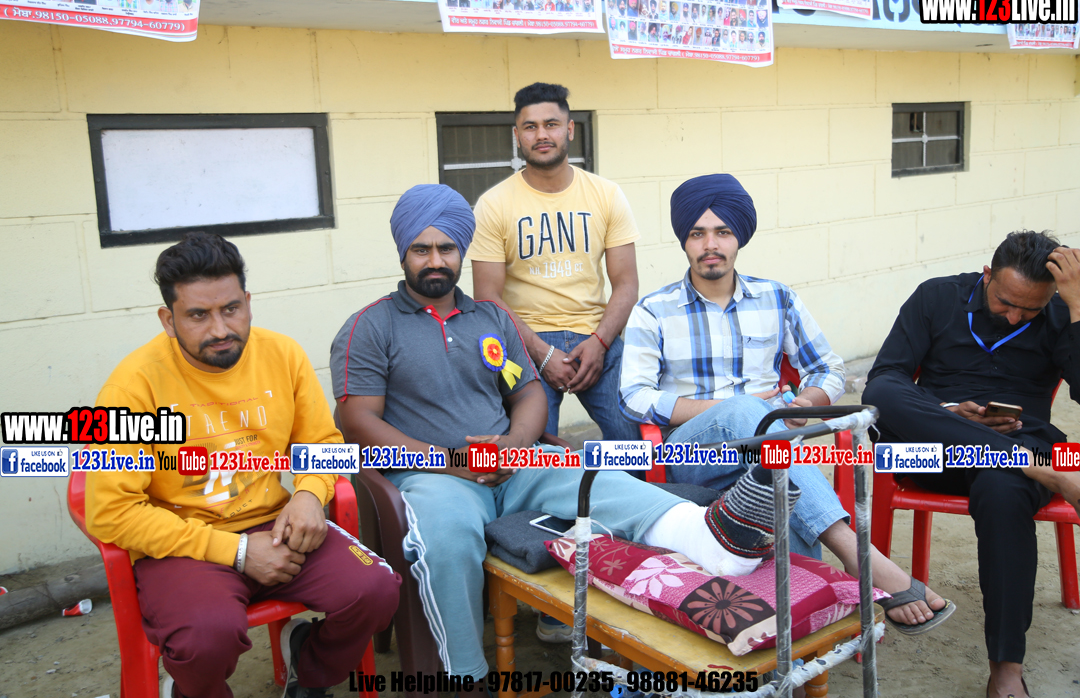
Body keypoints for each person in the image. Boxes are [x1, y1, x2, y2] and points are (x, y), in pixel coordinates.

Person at [332, 183, 803, 683]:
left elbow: (529, 393)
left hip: (513, 465)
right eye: (421, 249)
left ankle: (709, 538)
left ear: (461, 251)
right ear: (402, 252)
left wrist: (515, 446)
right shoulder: (372, 325)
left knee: (599, 480)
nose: (435, 261)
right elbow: (357, 419)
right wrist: (449, 461)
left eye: (446, 248)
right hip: (433, 476)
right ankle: (466, 676)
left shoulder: (490, 317)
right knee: (446, 538)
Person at [620, 173, 956, 636]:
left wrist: (805, 402)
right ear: (684, 241)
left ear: (739, 237)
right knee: (745, 412)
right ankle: (858, 553)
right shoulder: (653, 309)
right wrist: (728, 408)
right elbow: (635, 396)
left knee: (784, 495)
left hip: (775, 450)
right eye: (697, 233)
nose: (710, 244)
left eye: (722, 231)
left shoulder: (776, 298)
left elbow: (829, 369)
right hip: (693, 453)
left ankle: (798, 638)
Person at [84, 233, 401, 698]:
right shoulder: (132, 387)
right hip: (182, 544)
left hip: (275, 526)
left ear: (248, 303)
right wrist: (236, 551)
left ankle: (308, 668)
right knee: (206, 639)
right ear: (168, 320)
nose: (220, 329)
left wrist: (309, 494)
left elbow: (322, 444)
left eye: (231, 309)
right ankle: (192, 689)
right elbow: (111, 512)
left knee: (376, 590)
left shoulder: (282, 355)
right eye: (198, 315)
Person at [862, 230, 1080, 698]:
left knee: (1003, 491)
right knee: (882, 392)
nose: (1015, 316)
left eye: (1030, 309)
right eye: (1006, 302)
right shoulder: (936, 297)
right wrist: (944, 412)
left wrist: (1078, 307)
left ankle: (1005, 669)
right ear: (987, 275)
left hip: (1019, 451)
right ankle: (1032, 467)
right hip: (933, 451)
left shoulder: (1063, 311)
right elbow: (885, 377)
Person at [471, 83, 641, 445]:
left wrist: (600, 342)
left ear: (570, 129)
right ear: (517, 136)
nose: (541, 135)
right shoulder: (493, 204)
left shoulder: (607, 194)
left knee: (635, 444)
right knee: (532, 456)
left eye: (551, 124)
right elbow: (487, 296)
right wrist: (541, 353)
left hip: (597, 336)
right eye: (530, 127)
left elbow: (626, 284)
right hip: (525, 343)